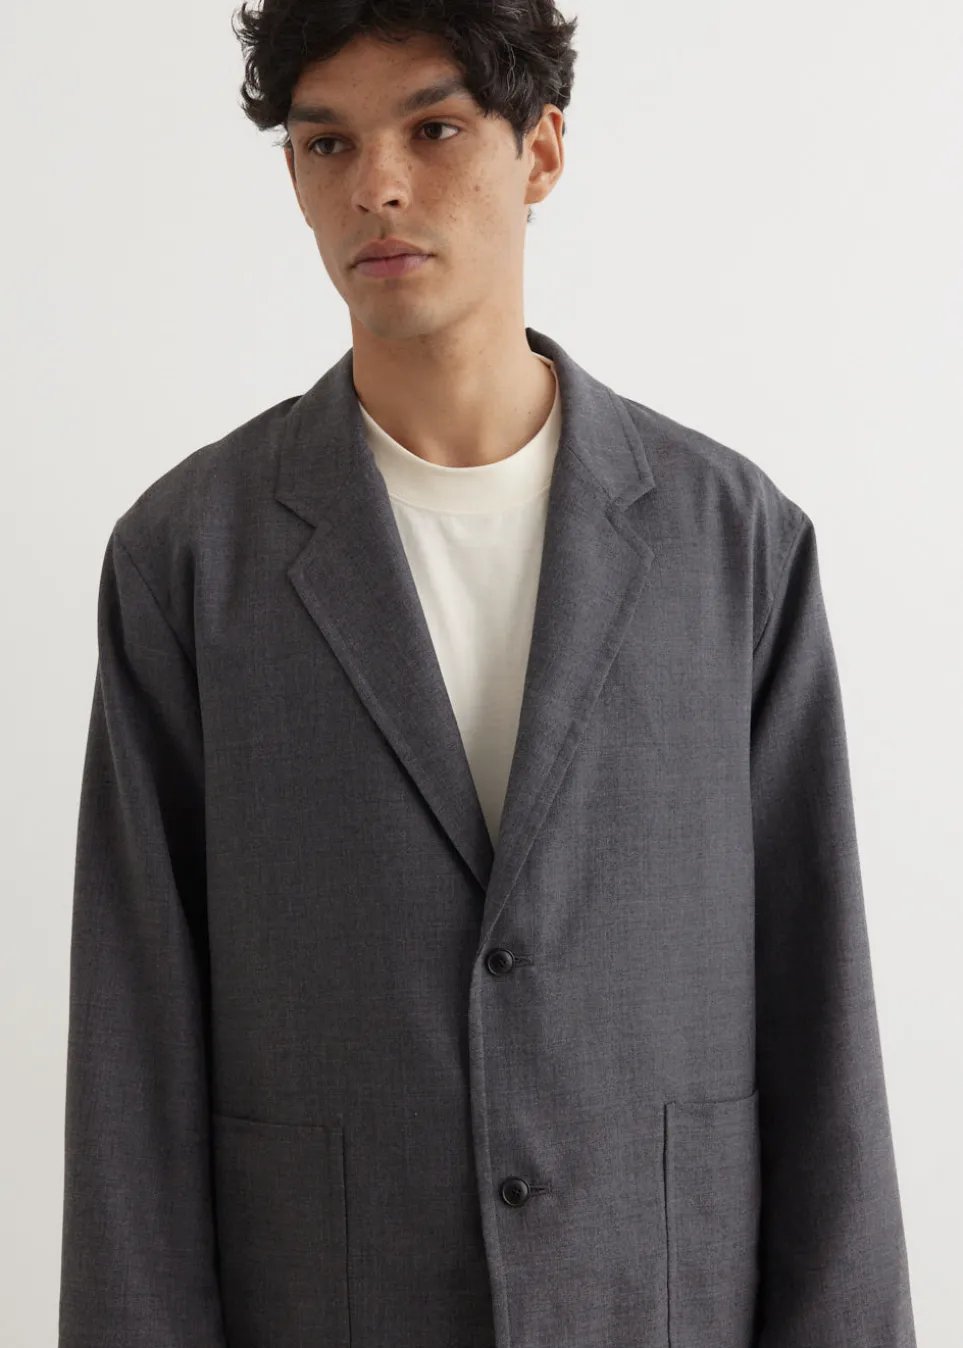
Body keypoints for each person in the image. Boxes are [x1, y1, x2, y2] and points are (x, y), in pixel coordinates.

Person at [58, 3, 918, 1346]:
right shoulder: (191, 557)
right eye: (327, 143)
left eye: (435, 130)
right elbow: (132, 1044)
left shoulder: (730, 540)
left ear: (542, 152)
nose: (377, 186)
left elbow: (820, 1010)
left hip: (659, 1304)